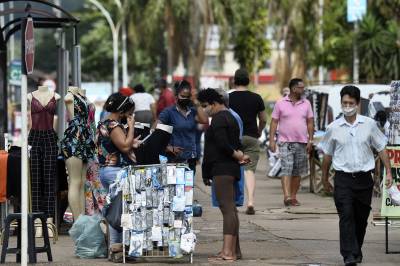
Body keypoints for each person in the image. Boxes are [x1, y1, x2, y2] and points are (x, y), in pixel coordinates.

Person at [320, 85, 393, 266]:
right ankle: (348, 256)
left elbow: (382, 148)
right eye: (344, 102)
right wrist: (324, 180)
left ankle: (356, 249)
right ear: (341, 103)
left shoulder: (369, 125)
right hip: (343, 179)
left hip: (364, 180)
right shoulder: (333, 128)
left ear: (358, 104)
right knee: (346, 215)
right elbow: (327, 156)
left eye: (351, 103)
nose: (347, 106)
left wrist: (389, 173)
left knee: (361, 219)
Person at [199, 88, 249, 262]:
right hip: (230, 169)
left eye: (205, 106)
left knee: (227, 209)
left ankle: (228, 252)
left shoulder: (219, 118)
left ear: (214, 103)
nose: (204, 109)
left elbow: (222, 144)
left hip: (222, 169)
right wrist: (240, 154)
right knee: (231, 210)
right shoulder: (231, 117)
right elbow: (237, 143)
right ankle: (234, 251)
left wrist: (237, 155)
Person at [95, 93, 140, 258]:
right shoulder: (114, 125)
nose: (129, 116)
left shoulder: (104, 122)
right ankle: (116, 248)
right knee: (119, 210)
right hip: (115, 172)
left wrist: (131, 141)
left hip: (107, 171)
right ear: (122, 112)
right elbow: (125, 147)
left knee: (116, 208)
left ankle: (116, 249)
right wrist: (132, 127)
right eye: (128, 113)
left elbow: (114, 145)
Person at [269, 78, 314, 207]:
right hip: (285, 142)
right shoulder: (280, 103)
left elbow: (310, 122)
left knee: (297, 171)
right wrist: (272, 140)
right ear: (294, 89)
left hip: (302, 142)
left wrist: (310, 140)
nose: (303, 89)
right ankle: (287, 196)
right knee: (286, 169)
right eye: (301, 87)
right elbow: (274, 122)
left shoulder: (307, 103)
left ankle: (293, 196)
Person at [229, 68, 266, 215]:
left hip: (233, 138)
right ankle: (250, 202)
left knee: (232, 169)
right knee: (249, 170)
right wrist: (259, 130)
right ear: (248, 81)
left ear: (234, 80)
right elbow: (263, 119)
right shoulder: (256, 98)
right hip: (251, 137)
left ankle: (232, 202)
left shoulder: (228, 98)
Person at [157, 80, 208, 172]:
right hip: (173, 160)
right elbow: (155, 130)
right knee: (175, 186)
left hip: (190, 159)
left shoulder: (192, 112)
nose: (185, 99)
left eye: (187, 97)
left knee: (189, 186)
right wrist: (167, 147)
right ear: (176, 96)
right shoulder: (168, 112)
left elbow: (204, 120)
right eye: (182, 96)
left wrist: (196, 102)